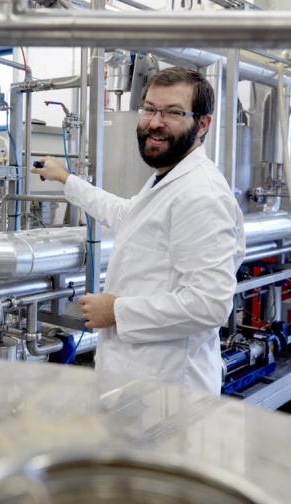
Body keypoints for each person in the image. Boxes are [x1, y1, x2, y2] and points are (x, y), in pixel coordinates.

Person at [32, 67, 245, 394]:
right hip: (138, 382)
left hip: (169, 388)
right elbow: (126, 213)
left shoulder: (201, 194)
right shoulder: (168, 178)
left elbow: (209, 305)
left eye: (173, 112)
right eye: (149, 109)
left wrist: (116, 311)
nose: (155, 122)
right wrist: (66, 179)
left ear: (203, 124)